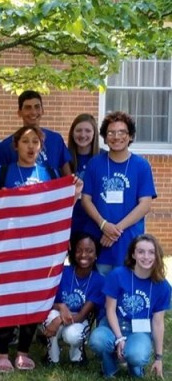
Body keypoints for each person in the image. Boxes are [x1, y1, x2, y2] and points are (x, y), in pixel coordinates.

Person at [0, 125, 82, 373]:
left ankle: (23, 352)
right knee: (7, 298)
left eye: (35, 142)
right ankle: (1, 353)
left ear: (41, 147)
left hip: (40, 248)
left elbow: (61, 208)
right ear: (16, 145)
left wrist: (74, 193)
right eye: (26, 142)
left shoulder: (50, 173)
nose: (30, 147)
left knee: (33, 297)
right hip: (8, 246)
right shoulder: (2, 173)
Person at [81, 111, 156, 275]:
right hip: (99, 243)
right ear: (105, 137)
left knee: (126, 287)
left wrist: (114, 231)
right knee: (100, 289)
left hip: (128, 243)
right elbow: (86, 200)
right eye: (111, 133)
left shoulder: (142, 166)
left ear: (130, 136)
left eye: (122, 132)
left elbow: (145, 205)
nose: (116, 137)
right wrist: (103, 225)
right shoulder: (95, 164)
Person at [89, 234, 171, 379]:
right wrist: (119, 338)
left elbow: (158, 323)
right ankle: (110, 367)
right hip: (112, 324)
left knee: (136, 355)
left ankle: (135, 365)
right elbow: (110, 310)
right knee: (98, 340)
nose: (146, 257)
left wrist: (158, 358)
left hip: (140, 330)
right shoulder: (117, 275)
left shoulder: (163, 286)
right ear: (133, 254)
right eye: (141, 252)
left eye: (151, 252)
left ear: (157, 255)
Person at [43, 232, 104, 365]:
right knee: (51, 316)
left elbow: (82, 316)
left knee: (72, 334)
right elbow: (48, 302)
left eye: (89, 251)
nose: (83, 255)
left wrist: (59, 320)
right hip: (57, 312)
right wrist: (61, 307)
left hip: (79, 320)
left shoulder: (99, 281)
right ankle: (52, 357)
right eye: (79, 250)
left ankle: (77, 357)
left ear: (96, 255)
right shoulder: (62, 272)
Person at [0, 90, 71, 176]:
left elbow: (68, 177)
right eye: (28, 107)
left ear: (43, 110)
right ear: (19, 113)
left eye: (37, 107)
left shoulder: (56, 140)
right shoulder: (7, 145)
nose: (33, 112)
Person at [67, 114, 102, 235]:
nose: (83, 135)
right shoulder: (64, 158)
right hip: (71, 217)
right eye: (78, 130)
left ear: (94, 133)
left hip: (95, 218)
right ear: (72, 133)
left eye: (88, 131)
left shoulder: (104, 158)